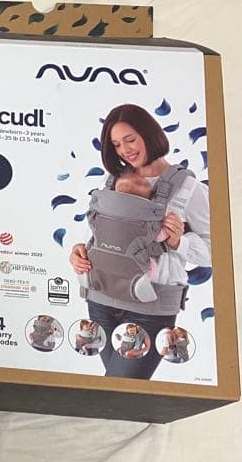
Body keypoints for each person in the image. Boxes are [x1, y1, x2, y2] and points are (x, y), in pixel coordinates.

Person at [69, 104, 211, 379]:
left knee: (120, 387)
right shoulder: (113, 179)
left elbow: (212, 253)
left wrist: (178, 242)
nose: (124, 150)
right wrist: (79, 251)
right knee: (116, 389)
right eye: (116, 144)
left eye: (130, 140)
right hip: (100, 299)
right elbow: (100, 232)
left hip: (151, 308)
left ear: (149, 134)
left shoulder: (190, 189)